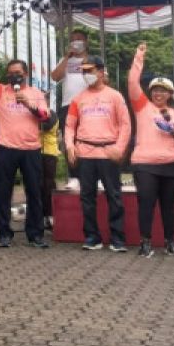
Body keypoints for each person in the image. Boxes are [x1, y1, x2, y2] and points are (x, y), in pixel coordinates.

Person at [0, 41, 52, 249]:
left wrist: (28, 104)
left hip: (31, 149)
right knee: (3, 193)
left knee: (34, 193)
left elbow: (45, 118)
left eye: (18, 73)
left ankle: (36, 234)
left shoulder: (37, 93)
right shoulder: (0, 91)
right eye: (11, 73)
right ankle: (4, 234)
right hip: (6, 148)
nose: (14, 76)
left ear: (26, 73)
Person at [127, 42, 174, 258]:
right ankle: (145, 242)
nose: (158, 93)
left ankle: (170, 241)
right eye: (155, 90)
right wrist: (139, 57)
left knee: (168, 207)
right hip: (145, 164)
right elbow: (132, 82)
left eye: (163, 90)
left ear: (170, 94)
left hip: (172, 165)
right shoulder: (142, 107)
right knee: (146, 203)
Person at [65, 55, 132, 252]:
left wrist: (120, 148)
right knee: (87, 197)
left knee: (114, 196)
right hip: (85, 152)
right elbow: (69, 126)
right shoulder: (78, 99)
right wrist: (69, 146)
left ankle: (117, 238)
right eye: (84, 71)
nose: (87, 74)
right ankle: (92, 237)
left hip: (108, 152)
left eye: (91, 70)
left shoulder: (115, 96)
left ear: (101, 72)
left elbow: (125, 125)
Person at [51, 28, 90, 133]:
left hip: (88, 105)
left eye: (79, 39)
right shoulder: (64, 61)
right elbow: (55, 77)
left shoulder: (94, 60)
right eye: (73, 40)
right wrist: (67, 56)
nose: (75, 42)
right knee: (69, 138)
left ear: (86, 42)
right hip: (68, 105)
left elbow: (104, 80)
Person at [39, 115, 59, 232]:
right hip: (37, 152)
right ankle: (41, 216)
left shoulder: (52, 114)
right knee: (39, 185)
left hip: (50, 153)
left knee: (49, 185)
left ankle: (51, 215)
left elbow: (45, 126)